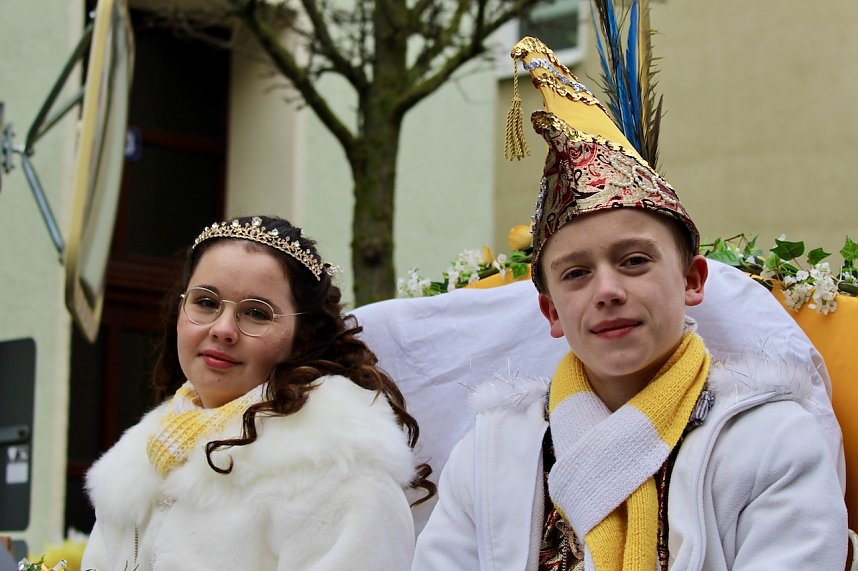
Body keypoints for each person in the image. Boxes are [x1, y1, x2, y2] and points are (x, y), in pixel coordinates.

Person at [411, 37, 847, 570]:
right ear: (552, 312)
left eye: (634, 261)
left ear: (692, 280)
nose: (607, 291)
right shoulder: (490, 452)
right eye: (576, 274)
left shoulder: (772, 441)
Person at [82, 215, 432, 570]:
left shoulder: (340, 469)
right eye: (206, 303)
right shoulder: (137, 461)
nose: (222, 329)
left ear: (303, 338)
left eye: (256, 313)